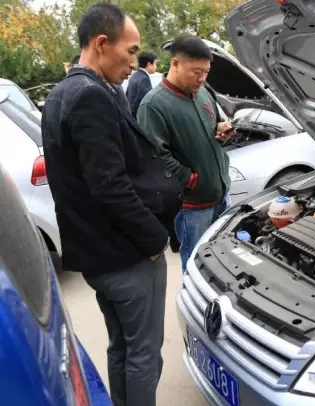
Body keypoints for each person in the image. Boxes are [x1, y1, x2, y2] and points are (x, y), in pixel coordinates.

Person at [40, 4, 182, 406]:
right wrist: (154, 239)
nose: (134, 63)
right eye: (131, 51)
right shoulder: (90, 96)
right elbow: (109, 186)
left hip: (99, 254)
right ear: (102, 43)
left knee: (122, 346)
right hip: (124, 255)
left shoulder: (62, 92)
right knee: (144, 354)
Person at [137, 34, 234, 272]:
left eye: (206, 72)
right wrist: (192, 181)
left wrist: (221, 130)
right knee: (195, 267)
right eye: (196, 72)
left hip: (222, 196)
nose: (202, 78)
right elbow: (156, 159)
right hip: (192, 208)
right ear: (175, 63)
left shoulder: (203, 92)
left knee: (224, 263)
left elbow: (213, 124)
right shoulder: (153, 105)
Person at [126, 51, 157, 117]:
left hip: (130, 115)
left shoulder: (134, 76)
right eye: (155, 64)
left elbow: (127, 96)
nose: (156, 66)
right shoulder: (144, 79)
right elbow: (145, 102)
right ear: (149, 64)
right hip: (138, 117)